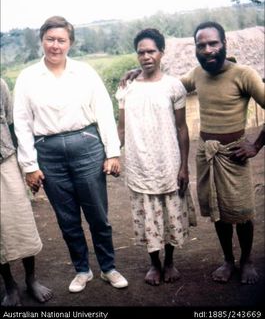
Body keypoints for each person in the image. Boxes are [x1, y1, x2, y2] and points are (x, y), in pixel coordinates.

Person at [120, 21, 265, 285]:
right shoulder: (197, 74)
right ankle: (228, 261)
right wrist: (138, 70)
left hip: (235, 155)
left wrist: (255, 145)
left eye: (213, 43)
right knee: (217, 211)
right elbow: (166, 85)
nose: (208, 49)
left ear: (224, 44)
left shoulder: (244, 74)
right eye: (202, 45)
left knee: (242, 212)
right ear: (196, 49)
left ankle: (246, 261)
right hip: (205, 155)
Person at [13, 16, 128, 293]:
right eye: (50, 39)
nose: (55, 45)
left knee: (98, 215)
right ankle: (82, 270)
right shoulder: (28, 77)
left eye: (61, 40)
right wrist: (29, 165)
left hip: (87, 146)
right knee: (67, 219)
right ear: (42, 40)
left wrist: (112, 152)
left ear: (70, 43)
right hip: (49, 154)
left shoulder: (85, 72)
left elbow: (103, 111)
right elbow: (22, 122)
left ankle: (108, 268)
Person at [116, 28, 196, 286]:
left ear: (162, 52)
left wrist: (184, 166)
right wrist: (113, 154)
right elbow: (121, 126)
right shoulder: (127, 86)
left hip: (169, 162)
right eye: (141, 52)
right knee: (147, 215)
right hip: (139, 163)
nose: (146, 56)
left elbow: (182, 128)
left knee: (170, 213)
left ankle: (170, 262)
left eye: (151, 51)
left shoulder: (173, 86)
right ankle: (154, 264)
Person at [0, 78, 53, 306]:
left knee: (20, 221)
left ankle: (31, 279)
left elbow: (12, 125)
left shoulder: (0, 85)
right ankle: (10, 285)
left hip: (6, 160)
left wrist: (26, 167)